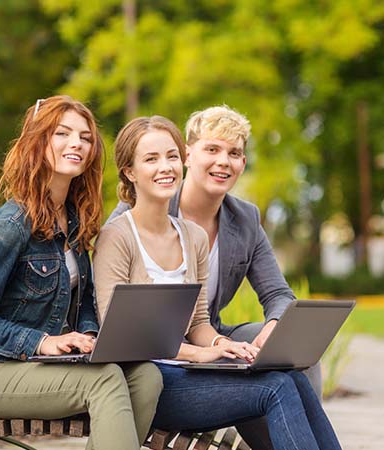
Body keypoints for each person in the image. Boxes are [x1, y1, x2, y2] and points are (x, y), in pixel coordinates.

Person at [94, 115, 341, 450]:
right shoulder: (117, 234)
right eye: (151, 159)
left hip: (189, 366)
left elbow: (199, 321)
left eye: (169, 157)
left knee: (291, 377)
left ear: (180, 158)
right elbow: (120, 333)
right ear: (130, 172)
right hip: (146, 376)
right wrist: (199, 354)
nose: (165, 167)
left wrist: (219, 346)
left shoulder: (192, 236)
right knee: (275, 389)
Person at [0, 95, 162, 450]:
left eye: (85, 137)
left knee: (147, 377)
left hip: (54, 363)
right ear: (38, 142)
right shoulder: (10, 225)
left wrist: (88, 335)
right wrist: (43, 341)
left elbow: (82, 301)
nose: (77, 144)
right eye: (62, 134)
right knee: (105, 380)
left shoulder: (74, 219)